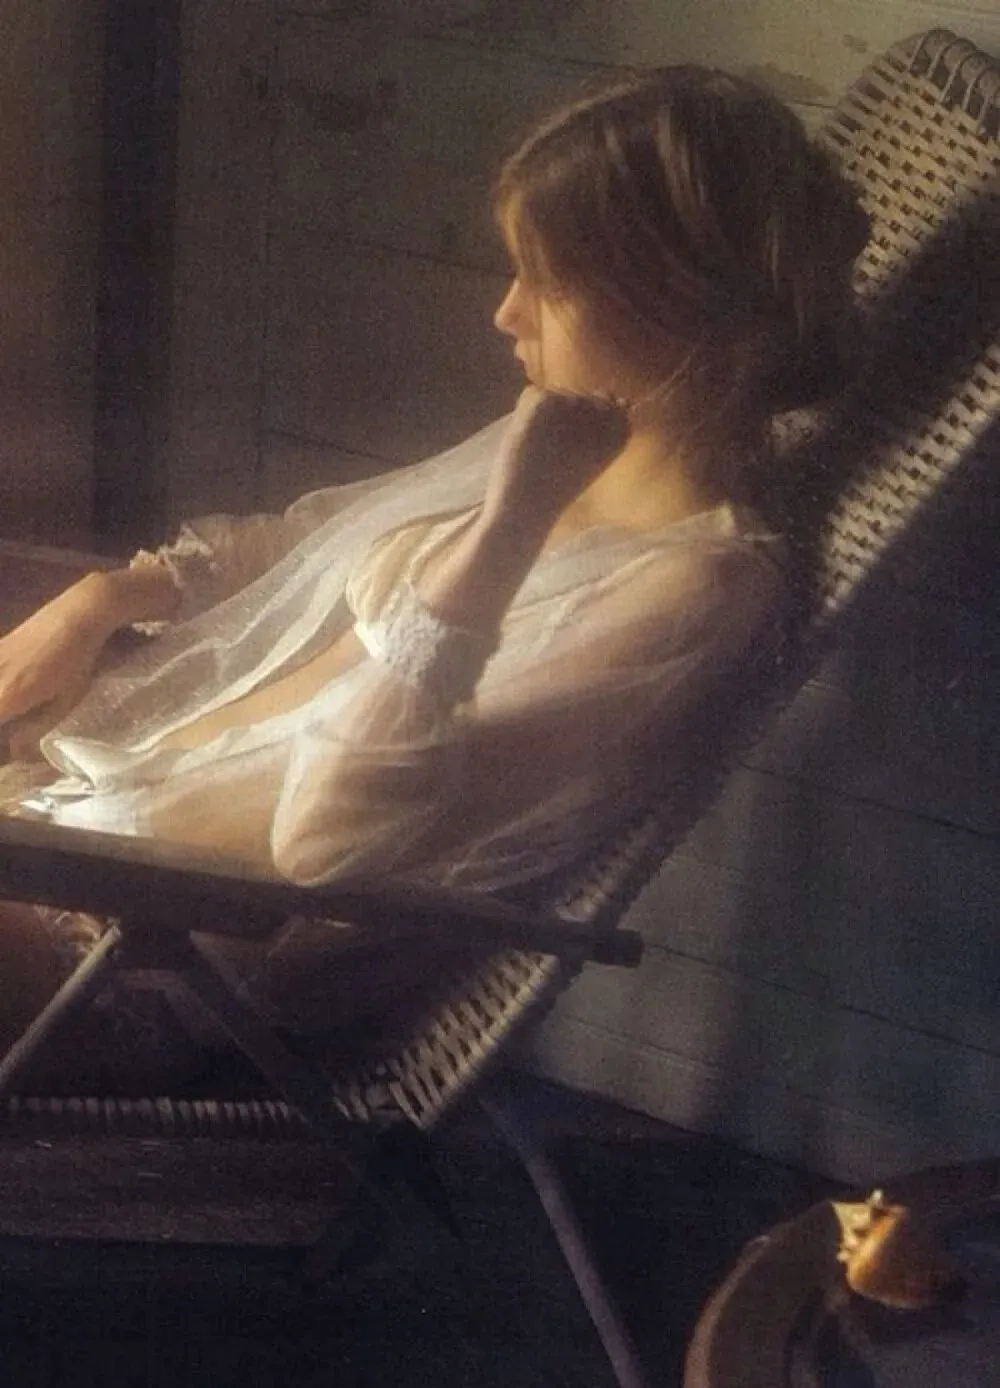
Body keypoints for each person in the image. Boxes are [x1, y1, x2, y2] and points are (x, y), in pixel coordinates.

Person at [0, 66, 868, 1062]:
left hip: (142, 955)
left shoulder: (694, 588)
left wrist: (507, 529)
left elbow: (324, 843)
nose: (507, 312)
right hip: (68, 825)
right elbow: (300, 544)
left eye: (546, 281)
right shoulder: (561, 448)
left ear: (665, 299)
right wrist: (103, 598)